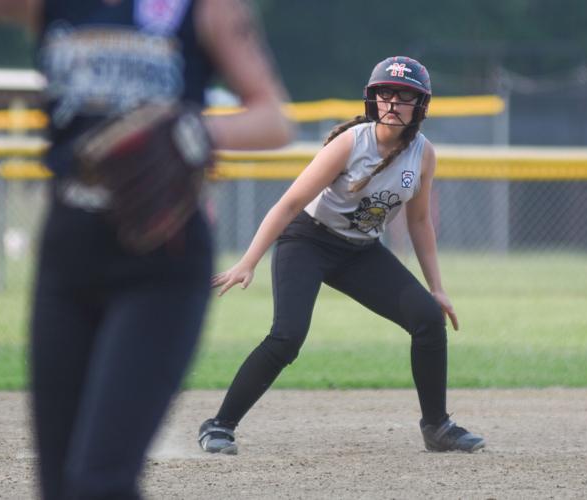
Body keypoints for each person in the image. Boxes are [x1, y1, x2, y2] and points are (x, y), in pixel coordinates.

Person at [0, 1, 292, 498]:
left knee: (101, 481)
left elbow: (273, 117)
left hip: (162, 259)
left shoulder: (203, 7)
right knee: (58, 483)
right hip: (68, 249)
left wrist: (195, 131)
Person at [199, 56, 485, 455]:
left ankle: (437, 427)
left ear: (421, 106)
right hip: (308, 241)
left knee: (426, 319)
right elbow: (289, 203)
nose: (393, 102)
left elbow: (420, 224)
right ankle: (219, 425)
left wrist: (437, 288)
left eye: (405, 96)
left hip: (361, 251)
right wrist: (249, 260)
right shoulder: (352, 142)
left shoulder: (423, 154)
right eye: (385, 93)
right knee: (287, 337)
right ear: (372, 99)